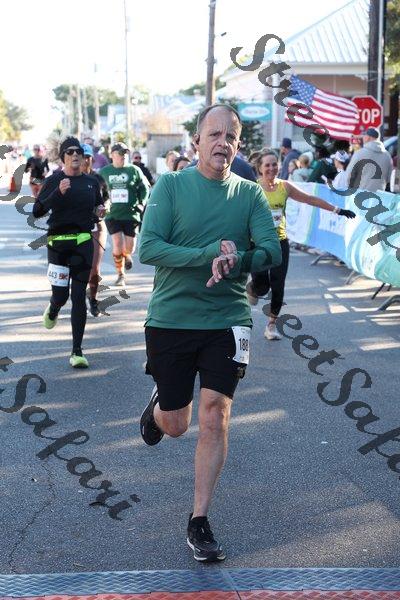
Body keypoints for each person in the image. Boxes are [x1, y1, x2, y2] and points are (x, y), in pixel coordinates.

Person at [138, 104, 282, 563]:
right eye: (214, 134)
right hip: (172, 318)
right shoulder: (171, 185)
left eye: (231, 136)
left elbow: (271, 252)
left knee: (216, 413)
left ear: (239, 145)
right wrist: (206, 255)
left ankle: (199, 519)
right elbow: (148, 248)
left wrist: (237, 261)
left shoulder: (250, 193)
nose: (223, 143)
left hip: (229, 319)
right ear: (196, 140)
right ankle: (158, 409)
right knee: (177, 425)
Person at [246, 149, 356, 340]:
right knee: (262, 287)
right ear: (260, 168)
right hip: (259, 244)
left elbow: (309, 199)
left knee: (278, 284)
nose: (271, 168)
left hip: (279, 242)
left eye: (274, 164)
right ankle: (253, 288)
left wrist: (337, 210)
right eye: (267, 165)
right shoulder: (253, 189)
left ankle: (271, 325)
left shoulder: (284, 186)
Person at [32, 137, 105, 368]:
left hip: (82, 243)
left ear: (83, 157)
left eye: (79, 152)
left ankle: (77, 351)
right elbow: (37, 211)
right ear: (63, 157)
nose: (75, 155)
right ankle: (54, 307)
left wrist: (99, 212)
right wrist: (57, 193)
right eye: (70, 152)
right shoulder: (54, 180)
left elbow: (97, 208)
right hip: (58, 245)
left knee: (78, 296)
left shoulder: (92, 182)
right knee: (61, 296)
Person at [100, 142, 149, 286]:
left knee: (130, 247)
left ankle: (127, 255)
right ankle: (121, 274)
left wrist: (142, 203)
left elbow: (145, 188)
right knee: (117, 243)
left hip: (131, 213)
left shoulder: (134, 170)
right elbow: (97, 189)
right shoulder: (104, 172)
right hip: (112, 214)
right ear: (112, 155)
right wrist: (100, 204)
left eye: (126, 153)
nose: (124, 156)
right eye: (121, 153)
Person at [81, 144, 110, 317]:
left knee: (94, 269)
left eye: (87, 157)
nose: (85, 160)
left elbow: (106, 200)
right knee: (78, 268)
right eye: (82, 156)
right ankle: (78, 296)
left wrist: (103, 208)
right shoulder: (69, 178)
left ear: (92, 158)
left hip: (96, 227)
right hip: (76, 228)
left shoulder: (98, 179)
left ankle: (93, 298)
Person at [346, 127, 393, 192]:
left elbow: (349, 176)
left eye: (364, 136)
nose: (362, 138)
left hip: (360, 195)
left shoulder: (359, 153)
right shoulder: (387, 156)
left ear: (368, 137)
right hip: (379, 195)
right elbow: (389, 178)